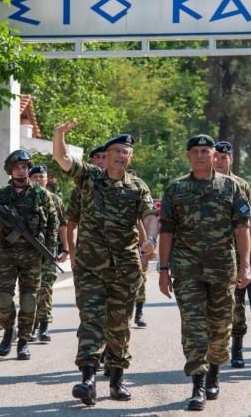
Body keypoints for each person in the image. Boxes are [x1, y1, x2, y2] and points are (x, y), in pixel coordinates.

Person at [53, 123, 159, 406]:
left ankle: (116, 380)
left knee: (119, 325)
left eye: (125, 152)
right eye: (116, 151)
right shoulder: (89, 177)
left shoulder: (137, 187)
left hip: (124, 268)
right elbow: (62, 158)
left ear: (130, 157)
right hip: (90, 266)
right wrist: (59, 135)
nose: (120, 156)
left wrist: (150, 239)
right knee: (91, 320)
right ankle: (88, 379)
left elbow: (150, 215)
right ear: (107, 154)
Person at [159, 134, 251, 411]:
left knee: (220, 327)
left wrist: (245, 265)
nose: (200, 155)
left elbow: (242, 229)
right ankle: (198, 384)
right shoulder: (176, 189)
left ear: (215, 156)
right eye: (195, 151)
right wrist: (163, 269)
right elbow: (167, 231)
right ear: (189, 156)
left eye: (205, 151)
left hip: (222, 268)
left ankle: (214, 372)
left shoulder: (232, 187)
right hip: (186, 269)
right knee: (193, 327)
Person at [0, 150, 57, 360]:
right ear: (10, 170)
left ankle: (24, 341)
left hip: (33, 255)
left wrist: (48, 253)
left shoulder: (41, 195)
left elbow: (52, 225)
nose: (21, 170)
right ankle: (9, 330)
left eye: (25, 167)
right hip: (7, 253)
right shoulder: (1, 195)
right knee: (3, 297)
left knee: (29, 299)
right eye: (17, 167)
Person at [214, 140, 251, 369]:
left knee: (237, 304)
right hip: (211, 254)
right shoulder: (204, 183)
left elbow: (248, 222)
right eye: (217, 157)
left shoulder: (241, 185)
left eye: (225, 157)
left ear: (231, 159)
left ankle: (237, 349)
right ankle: (213, 350)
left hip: (236, 253)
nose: (220, 161)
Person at [29, 163, 68, 343]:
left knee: (45, 289)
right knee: (29, 290)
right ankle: (30, 326)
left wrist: (65, 249)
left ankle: (43, 326)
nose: (38, 180)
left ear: (47, 179)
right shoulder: (25, 197)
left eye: (41, 177)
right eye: (35, 177)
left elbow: (63, 226)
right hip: (27, 253)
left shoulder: (56, 200)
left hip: (48, 251)